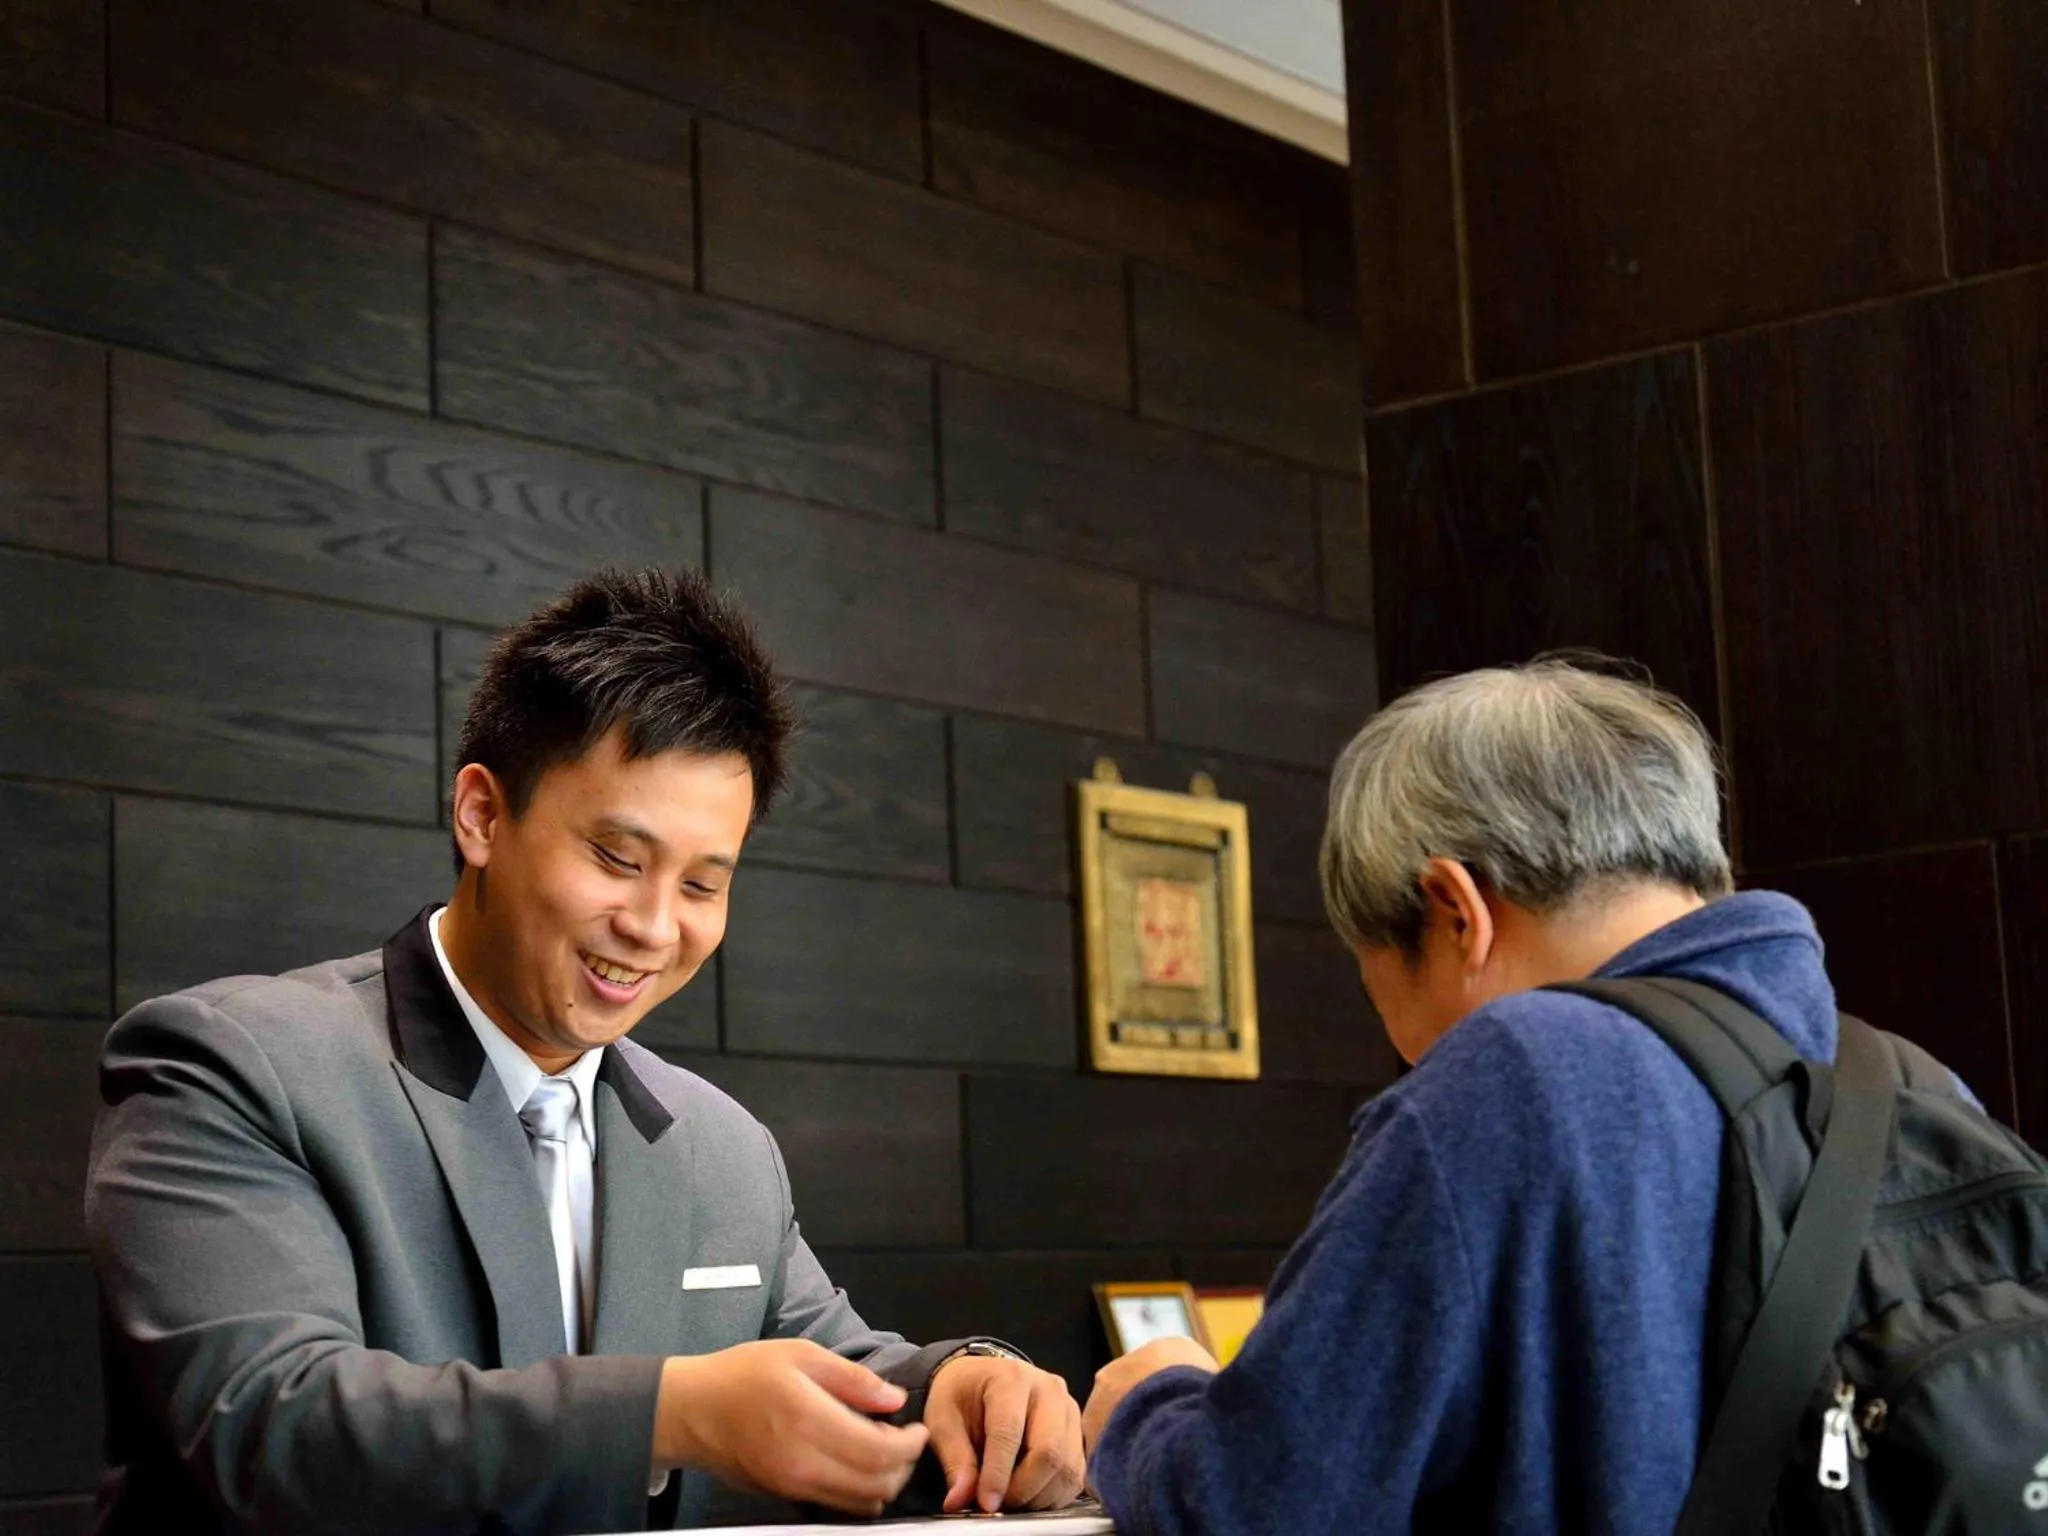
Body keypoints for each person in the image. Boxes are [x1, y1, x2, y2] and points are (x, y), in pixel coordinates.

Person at [87, 567, 1084, 1536]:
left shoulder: (720, 1149)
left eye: (702, 887)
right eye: (617, 858)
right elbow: (274, 1428)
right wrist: (668, 1412)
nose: (655, 927)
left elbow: (832, 1374)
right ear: (481, 814)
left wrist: (966, 1386)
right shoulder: (231, 1066)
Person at [1079, 658, 1974, 1535]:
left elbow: (1254, 1505)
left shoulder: (1516, 1071)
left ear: (1454, 910)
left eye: (1384, 996)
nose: (1411, 1057)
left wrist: (1150, 1402)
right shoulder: (1914, 1086)